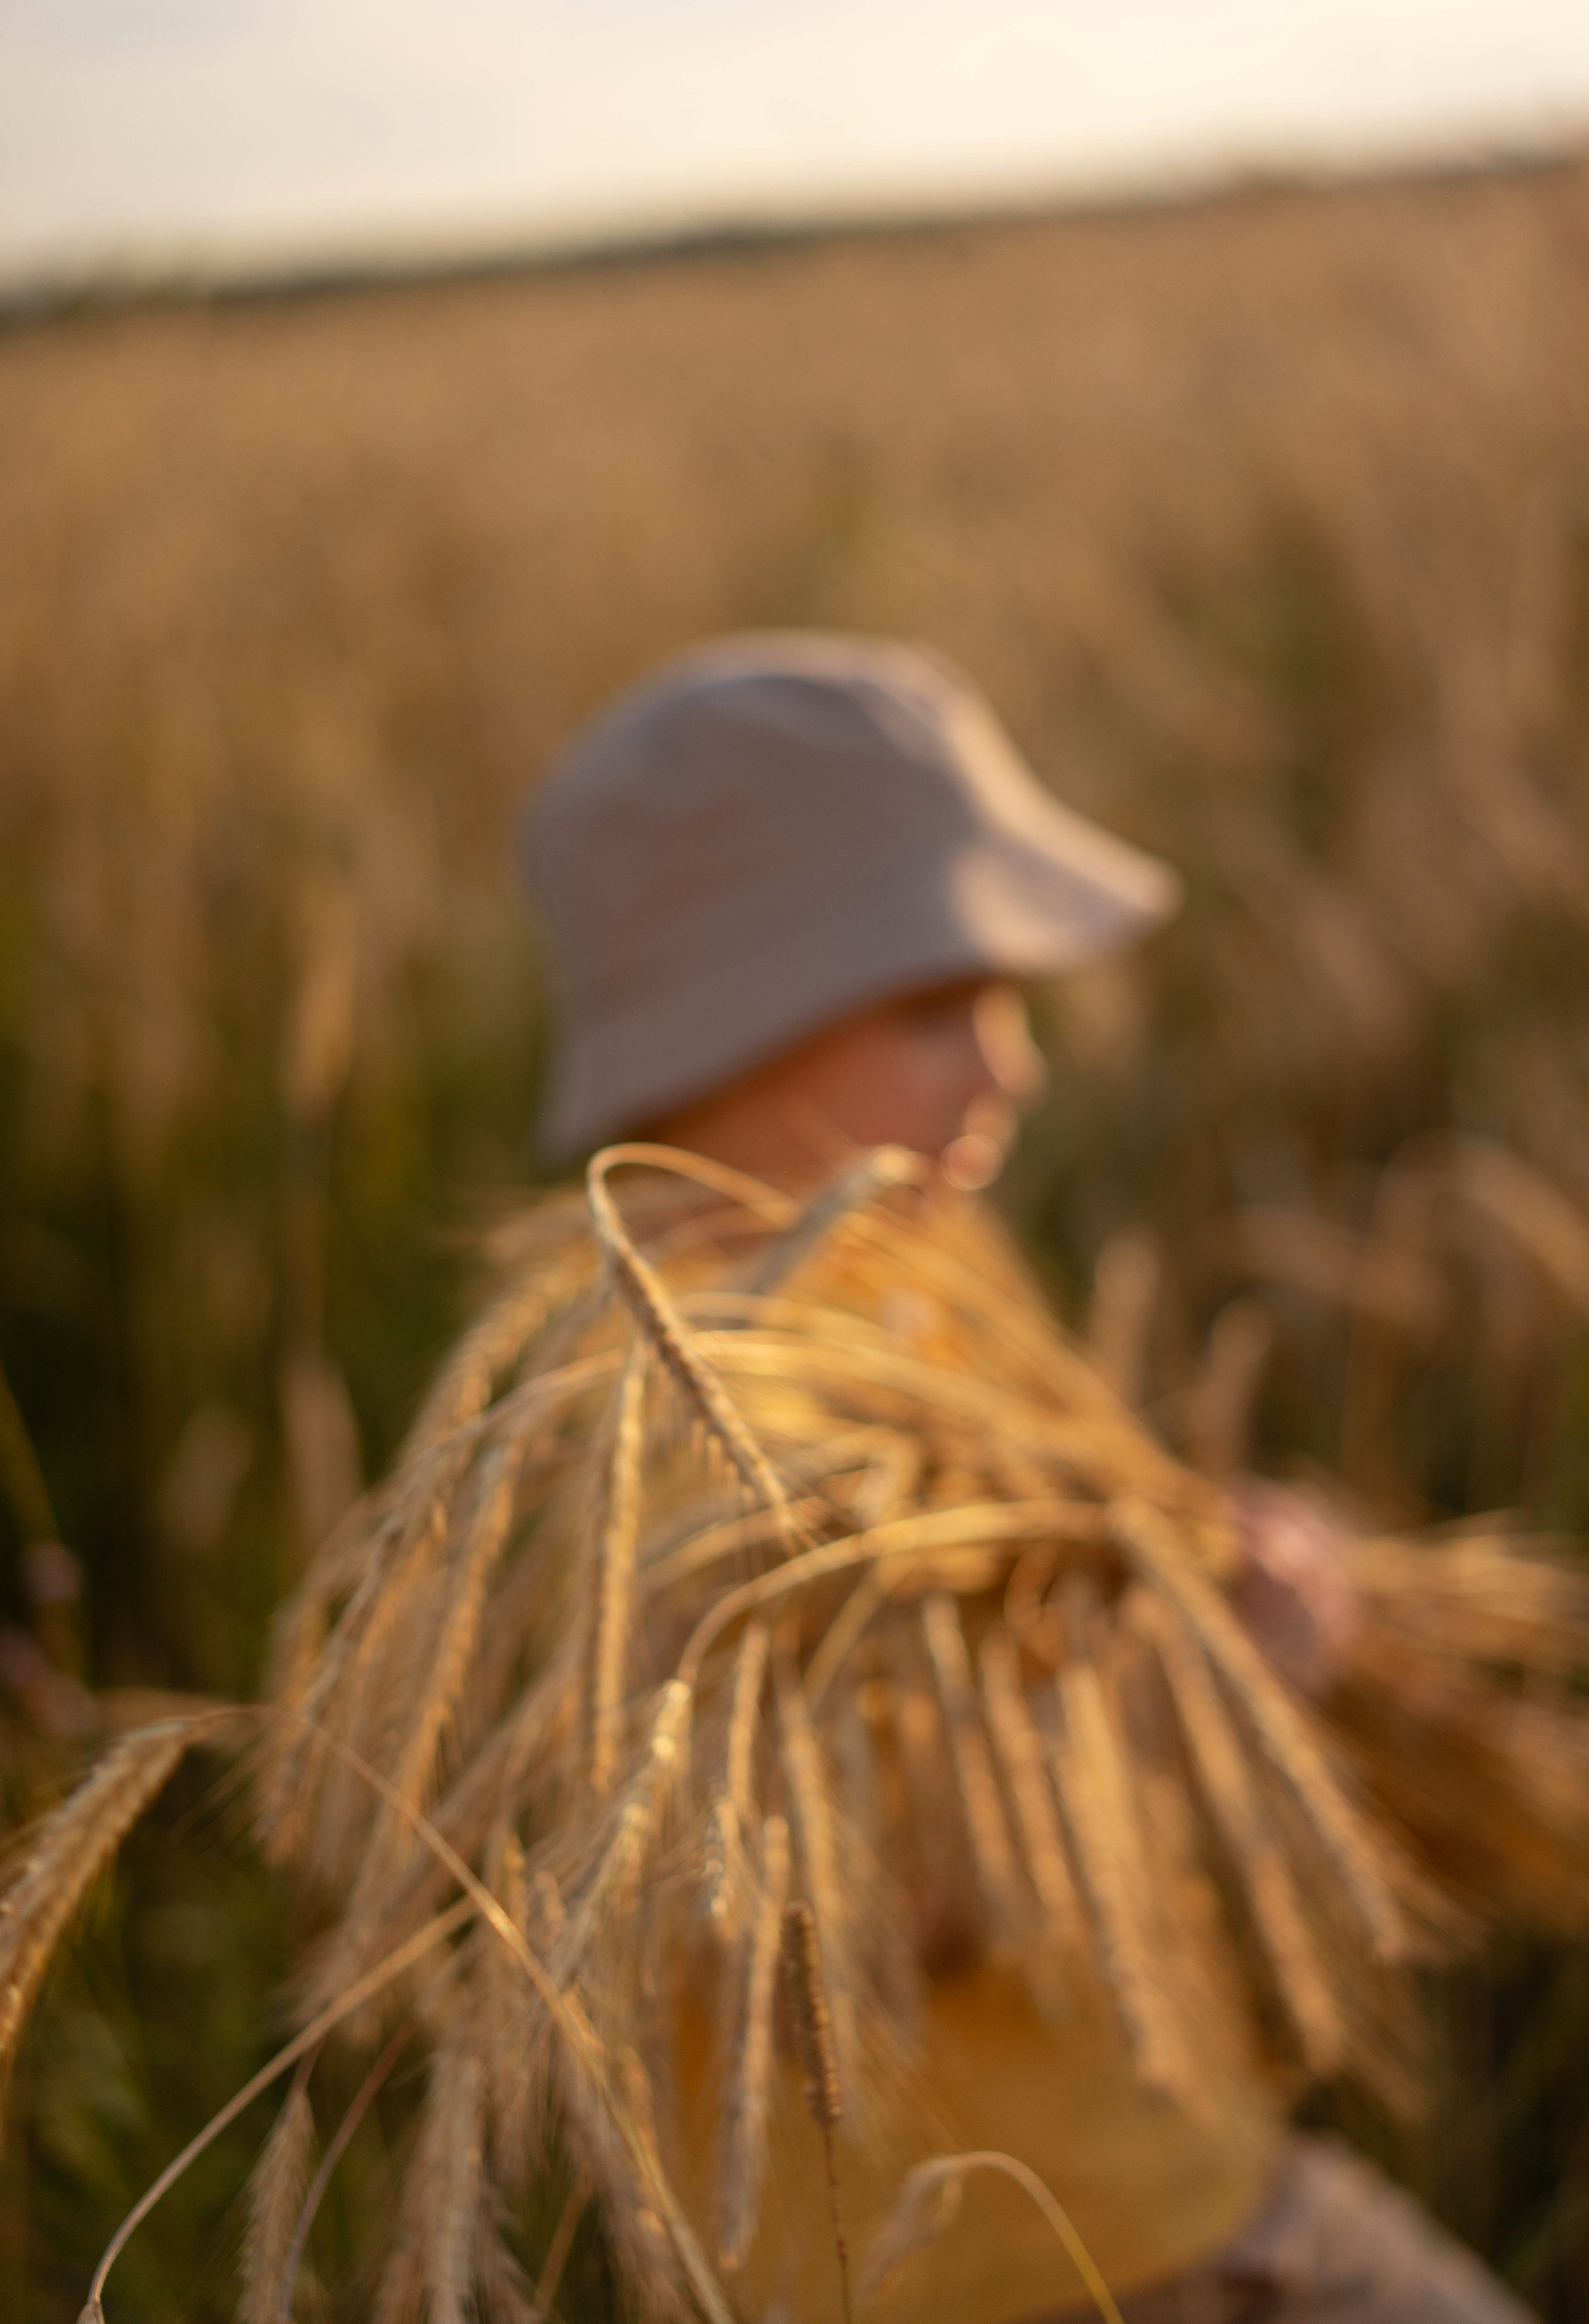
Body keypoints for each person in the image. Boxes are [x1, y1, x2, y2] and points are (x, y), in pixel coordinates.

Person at [513, 633, 1535, 2324]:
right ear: (730, 1020)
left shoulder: (914, 1282)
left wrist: (1215, 1577)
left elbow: (1045, 1599)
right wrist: (1166, 1707)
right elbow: (770, 1929)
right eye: (939, 1005)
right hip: (1013, 2273)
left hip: (1176, 2176)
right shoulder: (644, 1423)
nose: (1015, 1067)